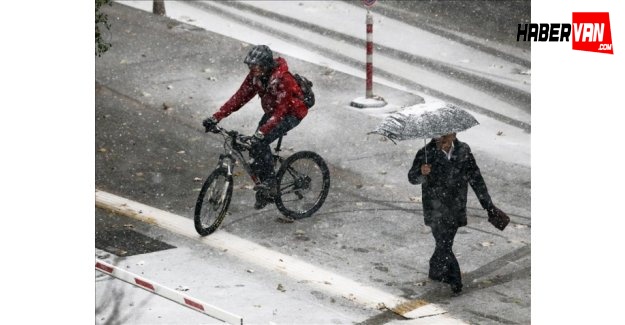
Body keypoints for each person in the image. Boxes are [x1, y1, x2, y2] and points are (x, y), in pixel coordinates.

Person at [202, 45, 308, 210]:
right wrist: (216, 117)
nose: (252, 69)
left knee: (260, 141)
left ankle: (270, 183)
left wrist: (262, 132)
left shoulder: (283, 79)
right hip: (273, 111)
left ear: (265, 64)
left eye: (256, 66)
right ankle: (264, 190)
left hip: (291, 112)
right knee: (254, 146)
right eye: (250, 66)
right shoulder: (255, 77)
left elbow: (281, 112)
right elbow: (239, 98)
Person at [407, 133, 505, 295]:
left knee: (444, 244)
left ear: (454, 134)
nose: (441, 140)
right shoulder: (425, 153)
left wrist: (488, 205)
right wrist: (421, 172)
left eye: (445, 136)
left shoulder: (463, 151)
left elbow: (476, 179)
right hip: (434, 209)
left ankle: (435, 270)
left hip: (455, 208)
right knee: (444, 243)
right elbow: (412, 178)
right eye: (439, 136)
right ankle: (455, 278)